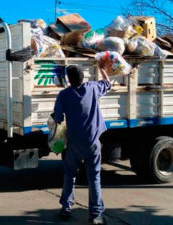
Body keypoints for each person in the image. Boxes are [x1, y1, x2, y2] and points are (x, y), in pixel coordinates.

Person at [53, 65, 110, 225]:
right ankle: (96, 215)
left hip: (74, 143)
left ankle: (66, 208)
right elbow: (107, 83)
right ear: (83, 77)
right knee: (94, 177)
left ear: (69, 80)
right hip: (92, 142)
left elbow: (57, 118)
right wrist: (101, 68)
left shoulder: (64, 95)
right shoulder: (92, 88)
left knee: (70, 174)